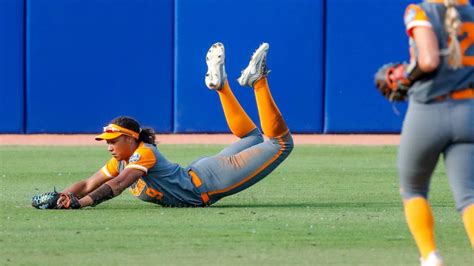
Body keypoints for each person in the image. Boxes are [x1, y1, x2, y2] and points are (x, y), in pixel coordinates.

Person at [51, 42, 293, 209]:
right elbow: (88, 184)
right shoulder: (122, 160)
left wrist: (81, 203)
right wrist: (64, 196)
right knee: (251, 137)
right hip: (200, 174)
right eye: (107, 141)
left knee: (281, 143)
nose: (109, 146)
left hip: (209, 183)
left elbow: (118, 184)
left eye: (114, 140)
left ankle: (259, 81)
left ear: (133, 138)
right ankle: (222, 88)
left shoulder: (143, 154)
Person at [398, 0, 474, 265]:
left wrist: (404, 75)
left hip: (429, 110)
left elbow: (428, 60)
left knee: (413, 188)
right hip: (468, 111)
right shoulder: (470, 13)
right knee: (468, 196)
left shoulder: (419, 11)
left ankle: (430, 255)